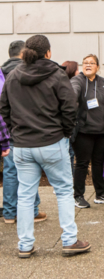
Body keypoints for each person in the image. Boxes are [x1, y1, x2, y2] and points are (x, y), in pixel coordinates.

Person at [0, 35, 90, 258]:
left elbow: (4, 109)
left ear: (25, 53)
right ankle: (69, 241)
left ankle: (25, 245)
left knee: (25, 194)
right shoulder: (57, 74)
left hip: (22, 145)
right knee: (63, 191)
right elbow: (70, 107)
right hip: (52, 141)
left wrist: (15, 132)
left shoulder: (12, 76)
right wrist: (66, 132)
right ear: (48, 52)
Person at [1, 40, 45, 225]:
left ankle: (10, 213)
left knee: (10, 172)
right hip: (27, 129)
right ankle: (32, 211)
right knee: (30, 170)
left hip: (7, 129)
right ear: (23, 54)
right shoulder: (27, 70)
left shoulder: (2, 72)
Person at [70, 54, 104, 208]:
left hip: (102, 131)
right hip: (84, 131)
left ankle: (100, 194)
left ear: (98, 67)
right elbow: (73, 93)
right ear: (81, 66)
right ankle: (78, 196)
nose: (88, 65)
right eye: (85, 63)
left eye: (92, 63)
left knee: (98, 162)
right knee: (82, 164)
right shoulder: (77, 81)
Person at [61, 60, 80, 176]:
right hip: (69, 127)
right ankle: (69, 183)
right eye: (77, 69)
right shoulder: (71, 87)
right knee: (70, 154)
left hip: (64, 128)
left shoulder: (60, 85)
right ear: (73, 71)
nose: (80, 72)